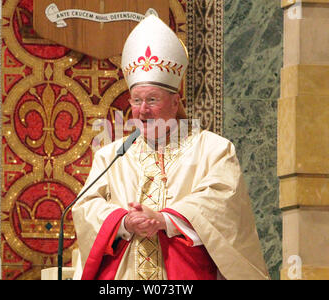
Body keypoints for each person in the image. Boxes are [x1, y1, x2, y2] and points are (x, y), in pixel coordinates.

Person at [71, 14, 269, 280]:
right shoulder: (111, 154)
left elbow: (224, 206)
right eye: (136, 100)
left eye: (152, 99)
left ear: (175, 103)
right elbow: (86, 207)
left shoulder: (214, 149)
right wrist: (124, 221)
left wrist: (164, 220)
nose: (142, 110)